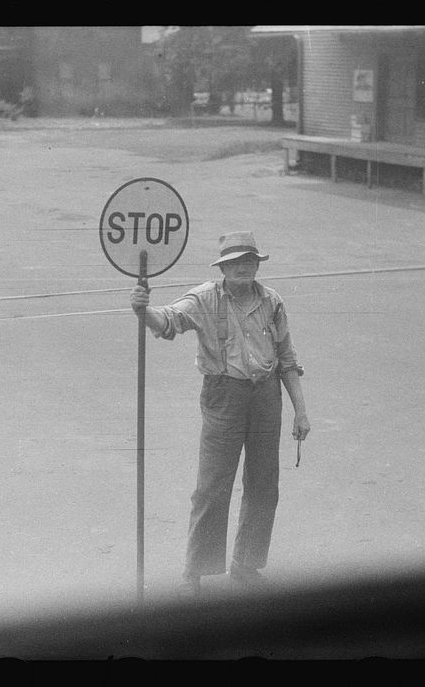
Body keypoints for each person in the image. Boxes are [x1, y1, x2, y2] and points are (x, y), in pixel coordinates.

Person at [129, 231, 311, 600]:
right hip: (223, 396)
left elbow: (288, 359)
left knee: (264, 484)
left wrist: (300, 412)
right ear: (223, 268)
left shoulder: (272, 302)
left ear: (257, 264)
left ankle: (247, 564)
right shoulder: (205, 298)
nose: (243, 268)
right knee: (212, 486)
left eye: (249, 261)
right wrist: (142, 310)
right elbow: (168, 322)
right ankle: (194, 570)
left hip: (266, 396)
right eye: (235, 263)